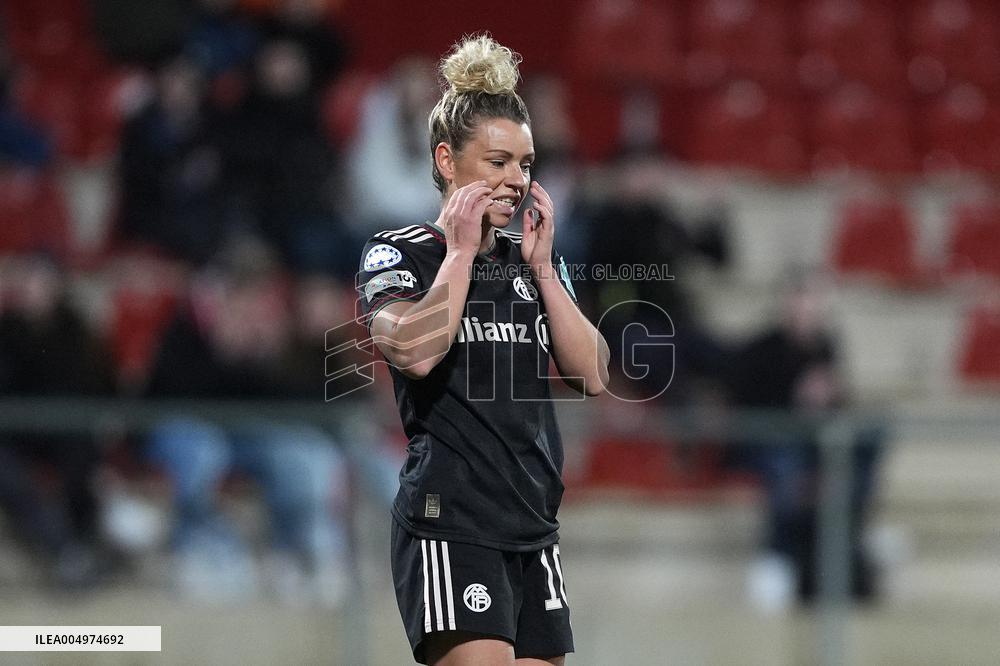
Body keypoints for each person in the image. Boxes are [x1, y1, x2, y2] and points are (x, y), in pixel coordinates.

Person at [356, 35, 610, 665]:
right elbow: (414, 351)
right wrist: (463, 252)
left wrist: (547, 272)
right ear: (447, 161)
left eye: (525, 164)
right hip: (451, 521)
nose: (514, 181)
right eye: (496, 162)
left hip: (533, 523)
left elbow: (593, 374)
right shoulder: (402, 253)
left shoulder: (534, 264)